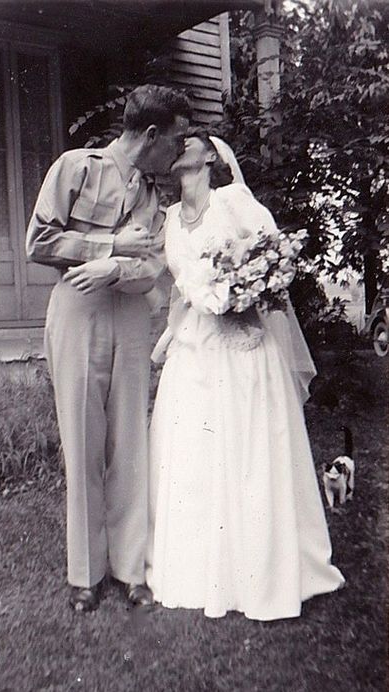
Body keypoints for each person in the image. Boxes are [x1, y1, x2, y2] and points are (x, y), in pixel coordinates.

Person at [146, 130, 345, 620]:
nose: (180, 149)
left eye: (190, 143)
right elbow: (171, 286)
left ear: (211, 157)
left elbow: (276, 264)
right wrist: (174, 329)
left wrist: (243, 293)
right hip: (195, 347)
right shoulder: (168, 219)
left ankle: (260, 566)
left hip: (243, 345)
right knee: (194, 451)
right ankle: (196, 566)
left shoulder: (234, 201)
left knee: (249, 450)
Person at [26, 85, 191, 612]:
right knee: (83, 441)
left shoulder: (150, 192)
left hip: (130, 314)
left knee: (129, 442)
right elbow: (38, 242)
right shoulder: (76, 167)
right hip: (78, 313)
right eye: (176, 139)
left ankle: (130, 568)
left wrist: (117, 266)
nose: (180, 151)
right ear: (149, 135)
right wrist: (108, 245)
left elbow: (155, 262)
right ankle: (85, 574)